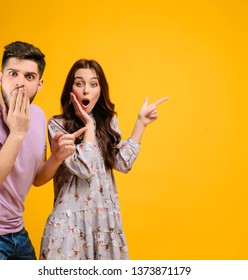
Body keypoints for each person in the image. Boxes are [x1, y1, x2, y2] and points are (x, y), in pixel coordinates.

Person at [0, 41, 85, 260]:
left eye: (29, 77)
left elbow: (36, 177)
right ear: (0, 78)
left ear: (39, 84)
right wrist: (17, 133)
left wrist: (56, 158)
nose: (20, 83)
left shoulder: (38, 116)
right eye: (13, 74)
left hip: (16, 233)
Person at [39, 59, 168, 260]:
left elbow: (122, 163)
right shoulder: (58, 125)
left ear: (101, 90)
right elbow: (85, 167)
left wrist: (141, 123)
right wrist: (88, 125)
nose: (86, 91)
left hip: (104, 224)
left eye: (93, 84)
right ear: (70, 89)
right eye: (79, 83)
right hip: (70, 227)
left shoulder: (108, 123)